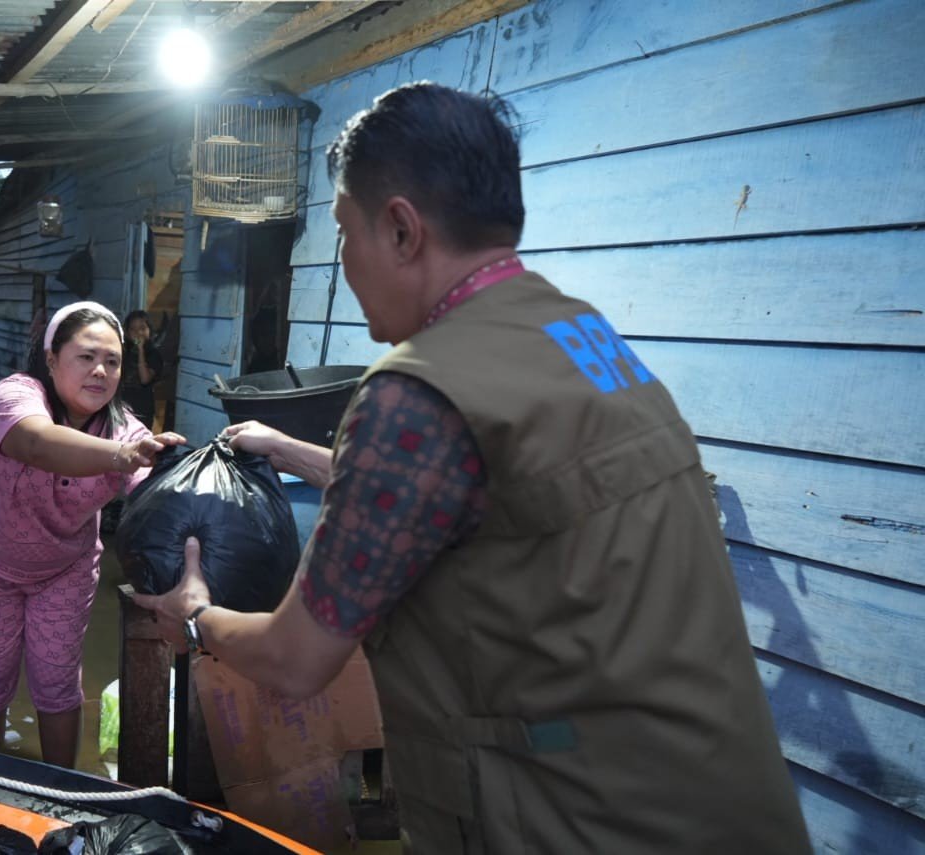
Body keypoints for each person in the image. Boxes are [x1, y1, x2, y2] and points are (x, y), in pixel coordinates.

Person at [134, 83, 808, 852]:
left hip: (573, 820)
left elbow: (295, 660)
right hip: (724, 803)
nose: (346, 262)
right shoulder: (583, 338)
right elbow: (471, 499)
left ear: (400, 231)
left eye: (345, 232)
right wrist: (286, 448)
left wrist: (194, 614)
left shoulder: (413, 390)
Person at [0, 301, 184, 767]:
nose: (101, 371)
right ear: (52, 358)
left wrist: (185, 471)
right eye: (86, 357)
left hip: (65, 569)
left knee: (57, 681)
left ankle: (63, 790)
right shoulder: (14, 396)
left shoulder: (124, 428)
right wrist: (122, 457)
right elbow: (36, 442)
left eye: (112, 361)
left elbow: (158, 496)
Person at [120, 310, 164, 431]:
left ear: (149, 330)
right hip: (122, 405)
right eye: (133, 329)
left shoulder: (154, 355)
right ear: (127, 333)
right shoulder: (123, 352)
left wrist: (140, 351)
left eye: (142, 328)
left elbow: (145, 379)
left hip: (142, 407)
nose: (138, 333)